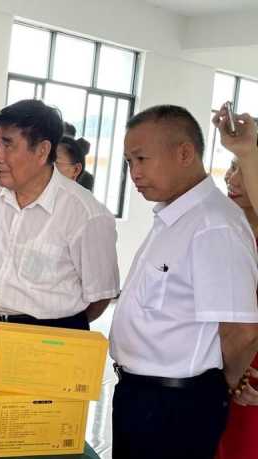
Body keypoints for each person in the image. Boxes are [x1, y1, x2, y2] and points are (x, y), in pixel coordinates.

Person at [109, 105, 258, 459]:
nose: (134, 173)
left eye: (142, 159)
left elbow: (241, 332)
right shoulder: (175, 217)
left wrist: (218, 385)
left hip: (175, 405)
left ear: (184, 153)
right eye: (129, 162)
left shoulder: (213, 225)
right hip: (143, 397)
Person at [0, 99, 119, 419]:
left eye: (8, 144)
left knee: (34, 436)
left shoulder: (85, 214)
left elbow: (99, 296)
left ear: (42, 150)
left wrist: (52, 324)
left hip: (48, 345)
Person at [215, 113, 258, 459]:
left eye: (244, 169)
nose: (233, 178)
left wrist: (246, 151)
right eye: (231, 167)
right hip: (217, 374)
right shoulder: (226, 230)